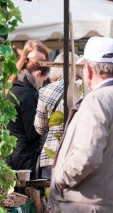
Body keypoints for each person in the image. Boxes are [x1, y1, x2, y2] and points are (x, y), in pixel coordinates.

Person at [50, 36, 113, 213]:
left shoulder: (96, 100)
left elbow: (87, 157)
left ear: (89, 70)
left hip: (90, 204)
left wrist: (59, 179)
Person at [7, 40, 50, 179]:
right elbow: (33, 132)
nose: (42, 85)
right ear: (37, 74)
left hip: (12, 155)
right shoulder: (27, 93)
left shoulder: (14, 86)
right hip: (24, 161)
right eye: (43, 80)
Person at [34, 52, 79, 180]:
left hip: (51, 156)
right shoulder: (85, 89)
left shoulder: (45, 91)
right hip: (77, 154)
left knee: (51, 196)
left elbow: (40, 128)